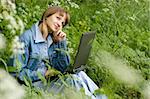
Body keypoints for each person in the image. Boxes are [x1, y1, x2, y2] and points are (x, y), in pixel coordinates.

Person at [11, 6, 107, 99]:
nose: (59, 24)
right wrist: (44, 73)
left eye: (62, 23)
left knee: (80, 74)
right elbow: (16, 73)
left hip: (49, 81)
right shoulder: (27, 38)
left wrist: (60, 43)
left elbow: (62, 67)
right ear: (47, 16)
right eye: (57, 18)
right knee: (73, 81)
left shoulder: (52, 39)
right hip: (35, 84)